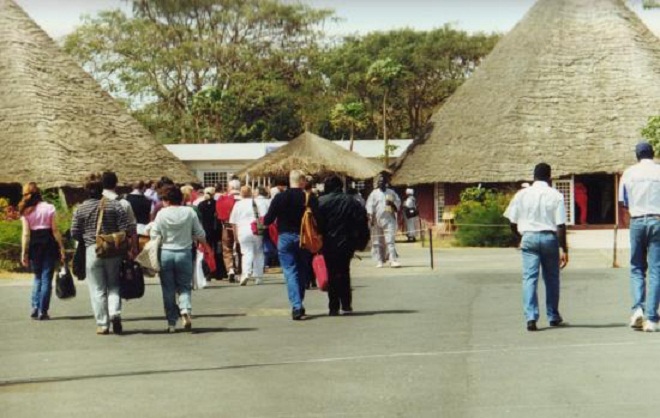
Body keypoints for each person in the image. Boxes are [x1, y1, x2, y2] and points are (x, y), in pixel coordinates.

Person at [503, 163, 568, 332]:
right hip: (548, 237)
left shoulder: (522, 194)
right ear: (549, 177)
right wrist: (564, 249)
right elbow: (561, 225)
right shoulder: (556, 195)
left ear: (534, 176)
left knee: (529, 278)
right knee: (552, 278)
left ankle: (531, 316)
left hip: (529, 236)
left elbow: (512, 221)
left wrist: (520, 237)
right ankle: (553, 315)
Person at [71, 173, 134, 335]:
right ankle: (115, 313)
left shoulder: (81, 208)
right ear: (102, 189)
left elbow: (74, 232)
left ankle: (103, 324)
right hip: (113, 249)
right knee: (113, 284)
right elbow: (125, 228)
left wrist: (88, 237)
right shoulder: (115, 205)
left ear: (86, 190)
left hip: (92, 249)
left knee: (97, 288)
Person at [150, 185, 207, 333]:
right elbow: (200, 233)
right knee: (184, 286)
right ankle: (185, 309)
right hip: (185, 252)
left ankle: (171, 323)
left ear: (166, 200)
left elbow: (154, 235)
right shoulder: (189, 212)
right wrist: (203, 244)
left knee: (168, 288)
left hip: (166, 253)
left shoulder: (162, 214)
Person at [264, 170, 317, 320]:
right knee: (302, 270)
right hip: (304, 238)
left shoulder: (280, 197)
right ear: (302, 181)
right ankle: (299, 302)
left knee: (290, 271)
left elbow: (268, 219)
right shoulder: (309, 198)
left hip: (285, 236)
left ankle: (296, 305)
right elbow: (318, 218)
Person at [619, 141, 660, 332]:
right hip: (657, 219)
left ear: (637, 155)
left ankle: (638, 309)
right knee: (656, 269)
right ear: (653, 154)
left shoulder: (629, 173)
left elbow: (623, 202)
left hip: (637, 220)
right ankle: (651, 318)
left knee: (637, 267)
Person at [318, 176, 370, 316]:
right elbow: (362, 222)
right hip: (347, 242)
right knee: (344, 271)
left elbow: (317, 224)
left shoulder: (321, 202)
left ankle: (333, 306)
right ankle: (346, 304)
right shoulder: (352, 202)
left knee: (332, 273)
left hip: (328, 242)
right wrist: (362, 242)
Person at [19, 182, 65, 320]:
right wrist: (61, 247)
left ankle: (34, 306)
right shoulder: (49, 207)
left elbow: (26, 234)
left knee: (37, 277)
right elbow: (55, 230)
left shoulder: (26, 211)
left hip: (34, 244)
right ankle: (42, 311)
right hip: (49, 243)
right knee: (46, 278)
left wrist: (24, 252)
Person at [229, 186, 270, 285]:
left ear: (241, 194)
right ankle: (258, 276)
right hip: (256, 229)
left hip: (242, 230)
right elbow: (264, 216)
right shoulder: (257, 202)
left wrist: (235, 236)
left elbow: (233, 222)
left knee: (246, 253)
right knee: (258, 252)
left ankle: (246, 273)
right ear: (251, 193)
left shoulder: (238, 204)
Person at [366, 172, 401, 268]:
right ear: (378, 183)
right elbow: (370, 206)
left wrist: (392, 203)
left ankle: (392, 260)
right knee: (377, 241)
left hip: (389, 220)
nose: (381, 183)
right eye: (379, 181)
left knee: (390, 240)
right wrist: (371, 218)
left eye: (383, 181)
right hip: (377, 221)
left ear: (386, 183)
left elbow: (398, 205)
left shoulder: (391, 193)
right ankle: (379, 260)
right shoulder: (374, 193)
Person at [102, 171, 138, 258]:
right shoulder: (124, 203)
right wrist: (134, 248)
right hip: (118, 248)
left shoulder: (94, 202)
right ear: (116, 184)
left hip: (97, 248)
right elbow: (132, 228)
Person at [216, 178, 242, 282]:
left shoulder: (223, 199)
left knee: (227, 248)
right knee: (241, 249)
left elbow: (219, 214)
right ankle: (240, 271)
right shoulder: (243, 198)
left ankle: (230, 269)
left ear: (230, 187)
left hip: (227, 226)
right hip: (241, 226)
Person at [197, 187, 220, 280]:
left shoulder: (201, 204)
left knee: (206, 251)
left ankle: (207, 271)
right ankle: (217, 271)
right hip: (215, 230)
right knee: (217, 251)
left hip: (204, 230)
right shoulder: (216, 204)